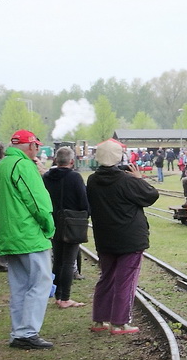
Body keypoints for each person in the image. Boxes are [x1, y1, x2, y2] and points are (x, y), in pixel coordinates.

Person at [0, 130, 56, 349]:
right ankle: (28, 332)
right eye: (36, 146)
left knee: (19, 285)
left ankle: (19, 331)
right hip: (29, 235)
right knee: (40, 282)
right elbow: (38, 201)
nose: (37, 150)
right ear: (31, 147)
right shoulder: (24, 166)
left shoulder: (0, 167)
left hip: (9, 235)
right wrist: (49, 226)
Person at [87, 139, 160, 334]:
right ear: (120, 156)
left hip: (104, 237)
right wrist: (138, 178)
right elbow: (151, 195)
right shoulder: (127, 180)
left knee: (106, 277)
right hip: (130, 238)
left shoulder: (92, 180)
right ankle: (120, 322)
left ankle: (99, 319)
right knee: (125, 280)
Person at [42, 145, 89, 309]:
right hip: (71, 223)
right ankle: (65, 298)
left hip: (52, 222)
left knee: (58, 260)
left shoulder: (46, 177)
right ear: (71, 161)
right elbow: (84, 202)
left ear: (55, 160)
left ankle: (56, 294)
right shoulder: (75, 177)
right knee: (69, 262)